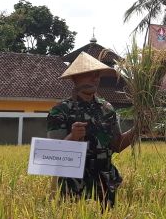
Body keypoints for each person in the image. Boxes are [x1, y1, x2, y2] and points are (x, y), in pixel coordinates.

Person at [47, 52, 137, 207]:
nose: (95, 79)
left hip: (104, 180)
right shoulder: (60, 111)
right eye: (89, 74)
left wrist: (138, 129)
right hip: (74, 183)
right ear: (76, 78)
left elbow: (117, 145)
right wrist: (72, 137)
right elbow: (53, 155)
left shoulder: (107, 108)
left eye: (97, 75)